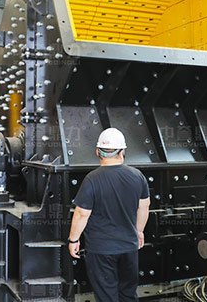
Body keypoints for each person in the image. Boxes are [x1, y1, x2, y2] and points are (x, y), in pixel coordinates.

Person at [68, 128, 150, 302]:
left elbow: (81, 214)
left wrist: (73, 240)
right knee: (128, 294)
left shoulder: (91, 179)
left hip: (101, 250)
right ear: (122, 152)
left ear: (98, 152)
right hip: (129, 247)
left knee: (107, 296)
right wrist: (139, 231)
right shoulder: (138, 176)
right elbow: (144, 206)